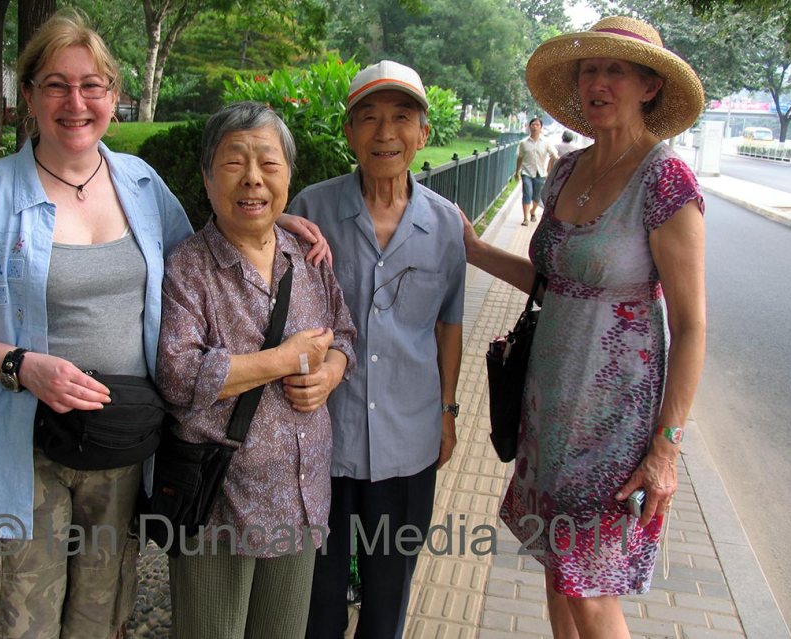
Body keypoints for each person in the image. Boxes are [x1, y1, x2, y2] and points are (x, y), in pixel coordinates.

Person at [0, 11, 329, 637]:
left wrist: (269, 220)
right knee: (16, 618)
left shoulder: (141, 184)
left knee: (101, 618)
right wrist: (21, 366)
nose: (75, 102)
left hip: (121, 453)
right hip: (25, 444)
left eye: (91, 85)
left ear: (113, 95)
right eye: (55, 84)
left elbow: (200, 255)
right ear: (28, 97)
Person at [462, 16, 706, 639]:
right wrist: (475, 250)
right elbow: (554, 281)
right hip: (548, 408)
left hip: (615, 425)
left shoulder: (665, 181)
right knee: (555, 571)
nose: (599, 81)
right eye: (590, 69)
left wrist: (666, 450)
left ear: (650, 86)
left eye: (616, 70)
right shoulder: (567, 169)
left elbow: (692, 325)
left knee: (592, 590)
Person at [155, 101, 357, 638]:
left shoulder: (306, 258)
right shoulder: (189, 268)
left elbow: (346, 335)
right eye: (234, 163)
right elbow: (176, 375)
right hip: (222, 504)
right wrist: (283, 360)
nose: (252, 179)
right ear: (206, 177)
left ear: (288, 177)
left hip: (300, 497)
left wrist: (330, 372)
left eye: (269, 164)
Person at [289, 60, 467, 638]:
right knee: (317, 593)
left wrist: (447, 412)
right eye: (367, 118)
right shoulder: (311, 211)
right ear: (348, 133)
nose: (384, 133)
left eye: (400, 118)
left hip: (409, 440)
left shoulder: (444, 225)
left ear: (423, 134)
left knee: (389, 591)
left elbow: (449, 324)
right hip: (322, 438)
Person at [517, 116, 559, 226]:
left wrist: (551, 166)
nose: (535, 127)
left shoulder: (546, 142)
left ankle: (533, 211)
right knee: (527, 193)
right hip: (526, 172)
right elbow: (520, 157)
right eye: (533, 125)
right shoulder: (524, 143)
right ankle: (526, 218)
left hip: (541, 173)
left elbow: (554, 155)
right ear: (529, 127)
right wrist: (517, 171)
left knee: (537, 196)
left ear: (541, 128)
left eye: (537, 125)